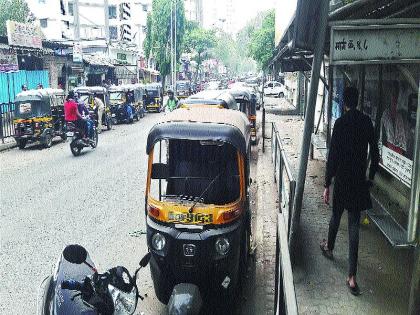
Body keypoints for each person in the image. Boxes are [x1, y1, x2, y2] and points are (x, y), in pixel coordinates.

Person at [320, 87, 379, 296]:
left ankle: (329, 247)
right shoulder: (366, 122)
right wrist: (370, 178)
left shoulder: (340, 123)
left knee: (336, 215)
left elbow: (332, 156)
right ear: (358, 100)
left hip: (342, 180)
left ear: (344, 102)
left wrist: (327, 183)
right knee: (354, 225)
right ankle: (352, 277)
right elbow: (376, 153)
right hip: (358, 181)